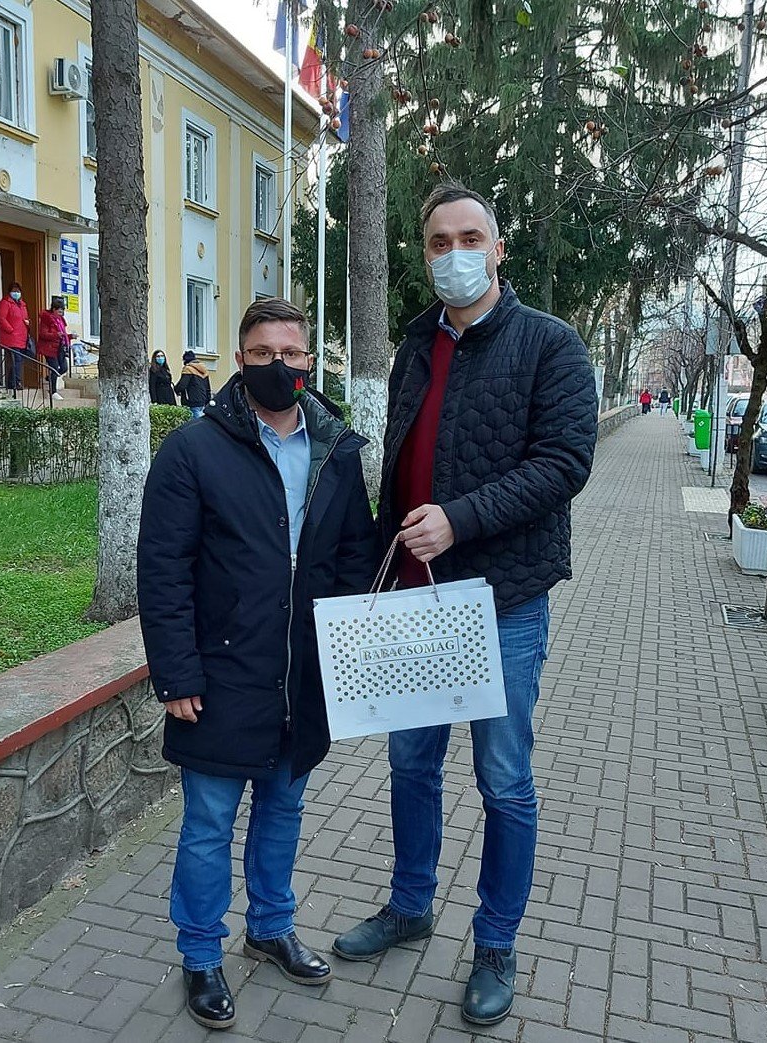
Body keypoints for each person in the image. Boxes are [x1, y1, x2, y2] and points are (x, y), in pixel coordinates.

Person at [332, 181, 599, 1026]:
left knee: (503, 778)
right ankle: (410, 905)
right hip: (416, 601)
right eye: (439, 241)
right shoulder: (416, 345)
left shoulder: (549, 344)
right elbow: (398, 467)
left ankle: (496, 941)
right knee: (410, 764)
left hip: (501, 600)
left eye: (469, 237)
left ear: (498, 248)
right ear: (425, 255)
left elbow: (563, 463)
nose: (454, 253)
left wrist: (460, 518)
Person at [137, 298, 379, 1031]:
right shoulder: (193, 450)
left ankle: (271, 926)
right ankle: (200, 954)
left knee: (283, 808)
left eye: (292, 353)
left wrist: (345, 656)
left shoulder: (336, 449)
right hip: (220, 675)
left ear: (309, 361)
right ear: (240, 360)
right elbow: (163, 569)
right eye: (265, 353)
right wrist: (176, 673)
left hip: (301, 676)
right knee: (209, 822)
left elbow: (352, 557)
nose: (280, 365)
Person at [0, 282, 30, 391]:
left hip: (22, 337)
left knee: (18, 360)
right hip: (11, 337)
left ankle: (12, 382)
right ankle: (16, 382)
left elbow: (24, 318)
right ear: (10, 292)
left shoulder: (22, 305)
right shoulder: (5, 303)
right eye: (14, 291)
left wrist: (27, 322)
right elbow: (1, 318)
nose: (16, 293)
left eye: (18, 291)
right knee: (17, 359)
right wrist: (10, 329)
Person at [36, 296, 71, 401]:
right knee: (54, 367)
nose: (61, 313)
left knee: (64, 367)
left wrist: (70, 337)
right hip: (49, 348)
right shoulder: (47, 319)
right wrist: (56, 335)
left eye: (62, 310)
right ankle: (53, 392)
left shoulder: (61, 320)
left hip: (60, 347)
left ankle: (50, 378)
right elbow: (43, 334)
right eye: (59, 310)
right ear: (54, 309)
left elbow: (63, 335)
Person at [175, 350, 213, 418]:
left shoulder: (188, 369)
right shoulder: (204, 369)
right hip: (203, 401)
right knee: (201, 421)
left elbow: (182, 385)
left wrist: (176, 389)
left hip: (191, 401)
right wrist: (207, 400)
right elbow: (208, 387)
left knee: (194, 422)